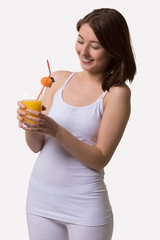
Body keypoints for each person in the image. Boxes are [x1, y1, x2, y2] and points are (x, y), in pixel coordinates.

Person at [17, 8, 136, 240]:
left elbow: (100, 157)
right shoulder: (58, 79)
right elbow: (36, 146)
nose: (84, 51)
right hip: (40, 202)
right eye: (81, 40)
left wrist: (57, 130)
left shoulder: (116, 94)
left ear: (114, 48)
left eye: (95, 45)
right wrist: (30, 125)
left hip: (85, 208)